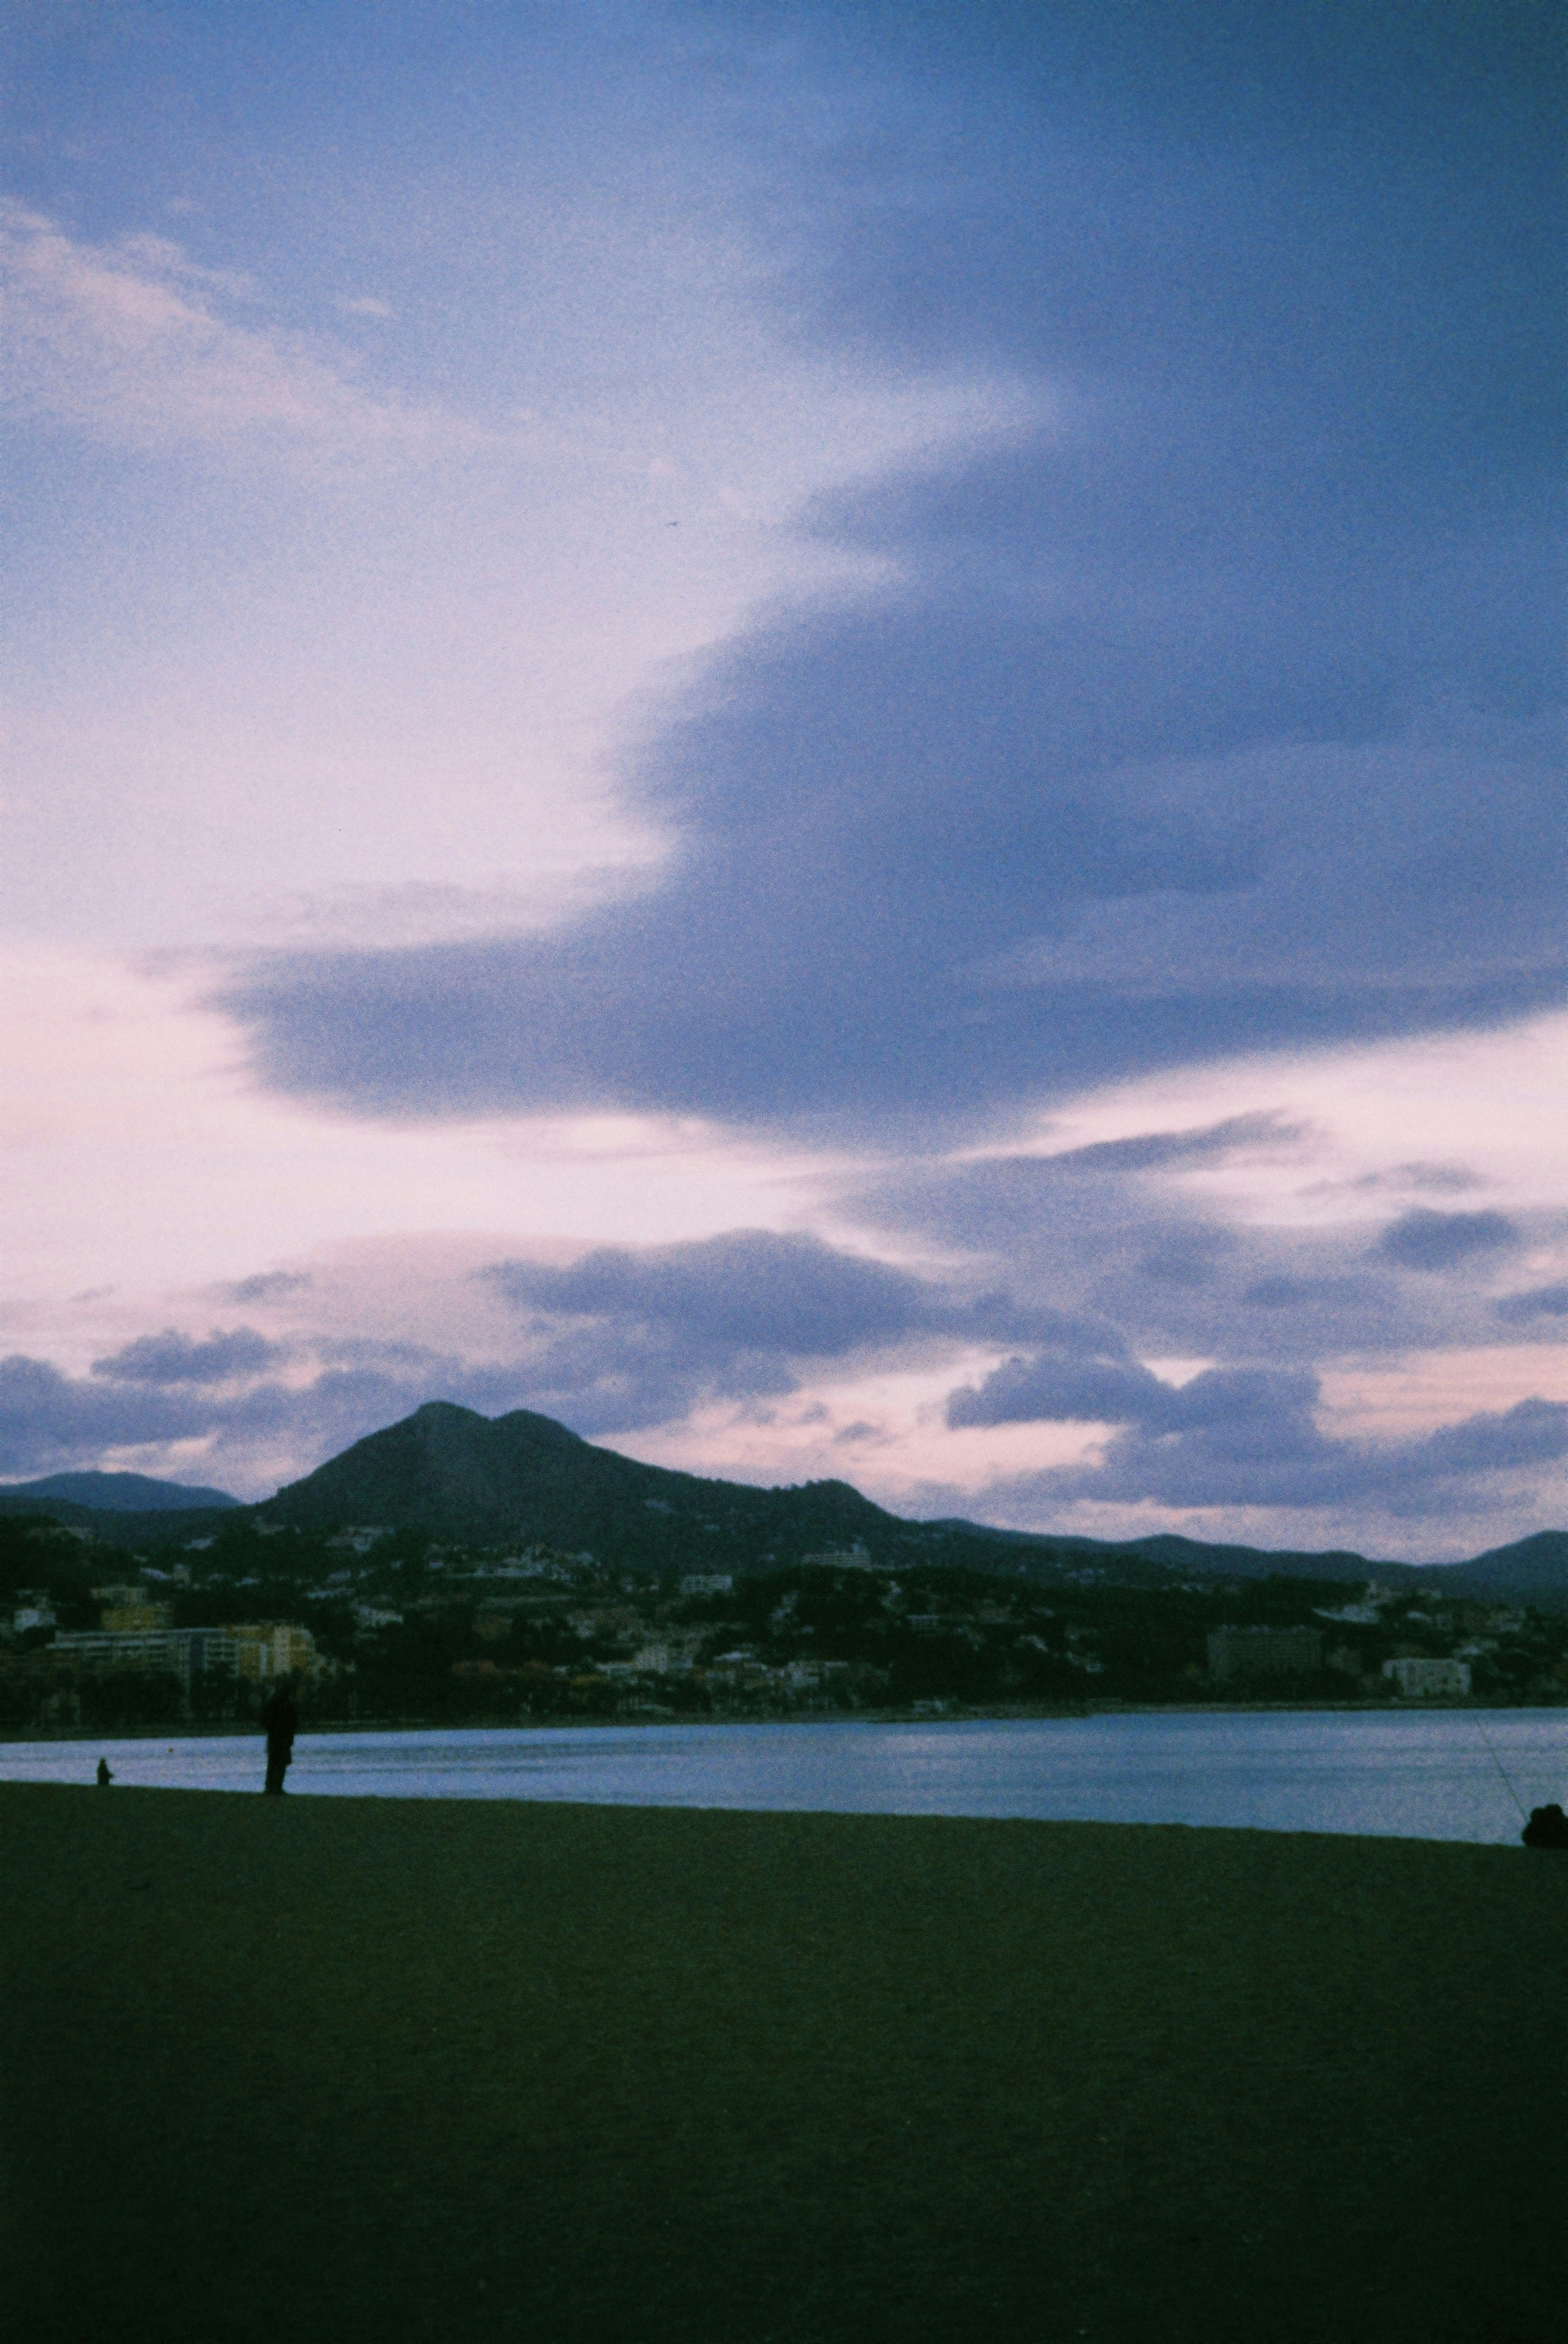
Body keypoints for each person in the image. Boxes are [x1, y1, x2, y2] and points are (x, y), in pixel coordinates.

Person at [261, 1681, 298, 1794]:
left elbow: (265, 1718)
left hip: (275, 1736)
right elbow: (293, 1722)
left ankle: (270, 1786)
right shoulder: (286, 1704)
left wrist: (270, 1728)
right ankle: (277, 1786)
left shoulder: (274, 1702)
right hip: (282, 1737)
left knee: (273, 1762)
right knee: (280, 1762)